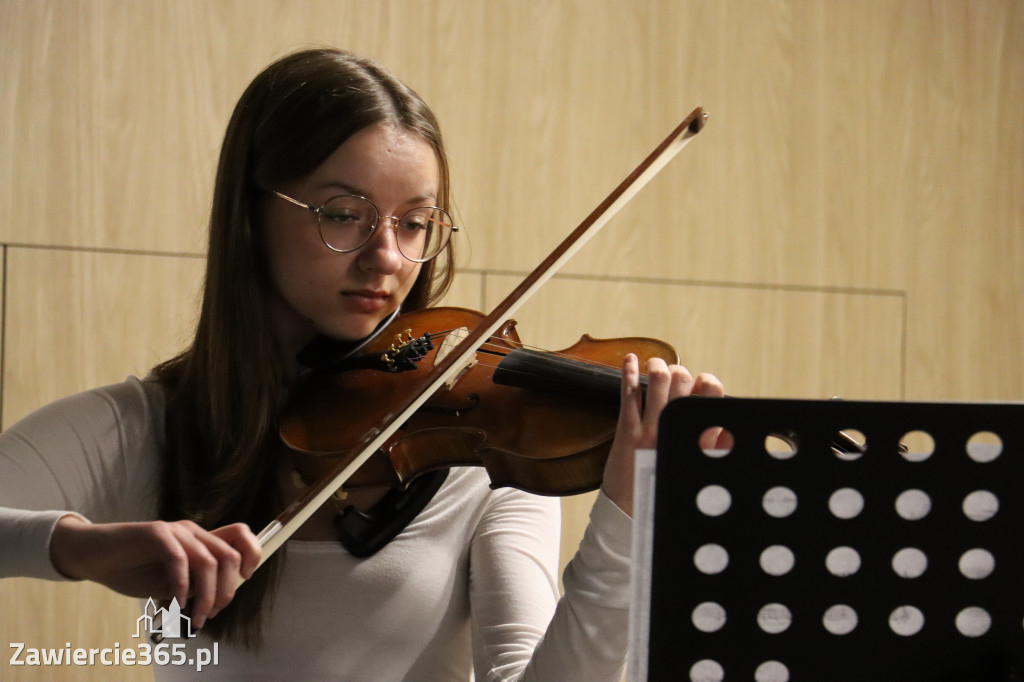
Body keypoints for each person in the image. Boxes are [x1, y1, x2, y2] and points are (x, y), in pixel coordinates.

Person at [0, 47, 725, 681]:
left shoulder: (492, 442)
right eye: (344, 213)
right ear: (252, 212)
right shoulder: (150, 426)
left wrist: (630, 514)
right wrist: (78, 548)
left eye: (415, 223)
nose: (388, 259)